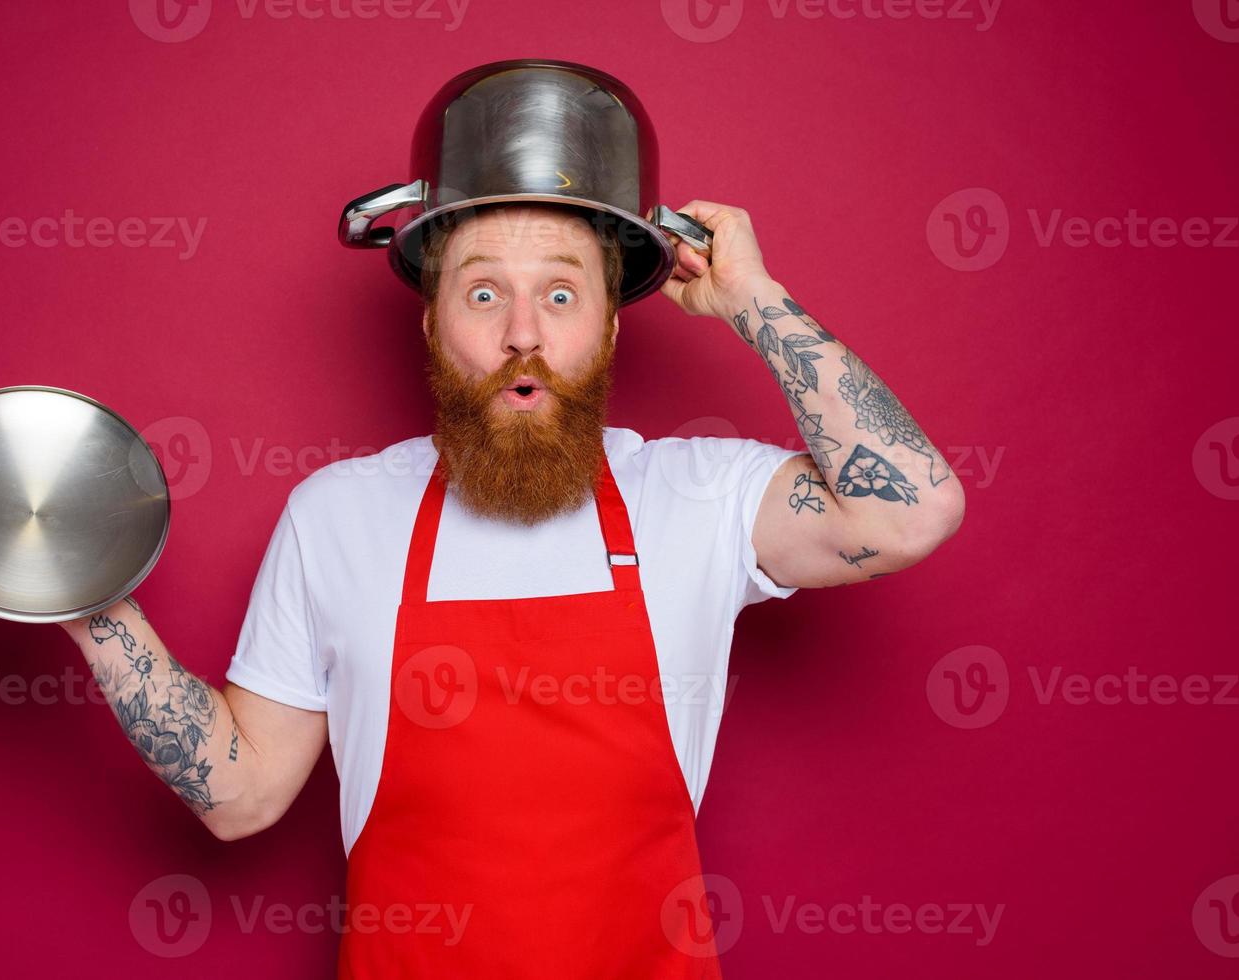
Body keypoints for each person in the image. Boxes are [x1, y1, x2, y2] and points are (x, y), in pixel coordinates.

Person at [59, 200, 966, 976]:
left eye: (561, 295)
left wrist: (751, 301)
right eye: (483, 292)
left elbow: (908, 513)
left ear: (610, 327)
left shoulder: (692, 496)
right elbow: (238, 795)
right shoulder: (338, 514)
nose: (521, 332)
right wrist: (88, 596)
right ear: (430, 323)